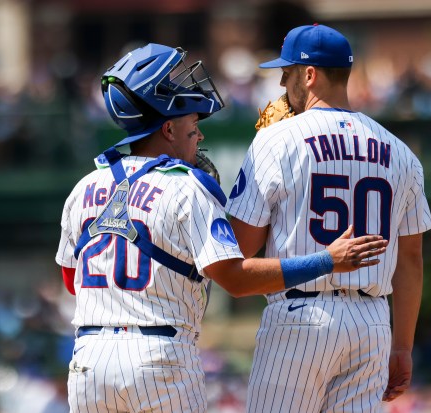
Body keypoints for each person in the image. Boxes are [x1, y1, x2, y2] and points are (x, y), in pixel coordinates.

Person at [55, 43, 388, 413]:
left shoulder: (83, 187)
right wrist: (327, 261)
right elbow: (237, 279)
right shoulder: (185, 186)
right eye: (193, 127)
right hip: (158, 356)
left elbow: (72, 281)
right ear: (168, 128)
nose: (199, 137)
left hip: (88, 361)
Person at [226, 24, 431, 412]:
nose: (283, 83)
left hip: (301, 315)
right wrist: (402, 346)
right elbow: (410, 259)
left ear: (309, 74)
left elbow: (239, 248)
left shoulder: (277, 140)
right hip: (371, 321)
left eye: (286, 74)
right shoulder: (401, 151)